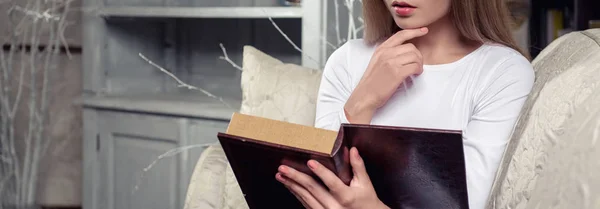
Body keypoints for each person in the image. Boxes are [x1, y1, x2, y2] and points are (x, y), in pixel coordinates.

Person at [275, 0, 535, 208]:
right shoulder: (347, 60)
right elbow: (320, 178)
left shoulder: (503, 71)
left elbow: (469, 202)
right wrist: (363, 101)